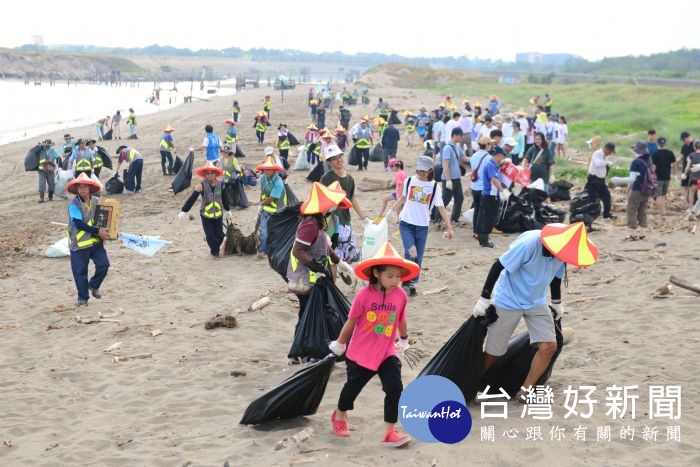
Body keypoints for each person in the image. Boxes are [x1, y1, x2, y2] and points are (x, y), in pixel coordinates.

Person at [473, 222, 598, 399]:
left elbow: (556, 278)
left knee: (549, 346)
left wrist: (556, 303)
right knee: (494, 352)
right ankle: (471, 384)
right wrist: (484, 299)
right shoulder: (529, 245)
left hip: (536, 300)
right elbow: (498, 266)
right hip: (509, 298)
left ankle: (524, 392)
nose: (563, 258)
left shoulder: (564, 252)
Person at [328, 241, 418, 447]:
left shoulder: (400, 295)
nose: (395, 280)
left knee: (395, 388)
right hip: (361, 353)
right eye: (390, 276)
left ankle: (389, 431)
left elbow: (401, 320)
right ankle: (340, 414)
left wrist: (403, 340)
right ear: (377, 273)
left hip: (386, 351)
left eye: (398, 276)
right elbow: (351, 322)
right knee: (352, 389)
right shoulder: (364, 295)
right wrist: (340, 343)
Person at [287, 182, 352, 354]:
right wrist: (315, 266)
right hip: (307, 278)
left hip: (317, 277)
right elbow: (297, 250)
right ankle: (301, 350)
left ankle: (312, 348)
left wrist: (338, 261)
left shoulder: (319, 221)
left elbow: (322, 243)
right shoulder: (310, 224)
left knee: (317, 312)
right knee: (308, 313)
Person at [389, 156, 454, 296]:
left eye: (424, 170)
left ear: (430, 170)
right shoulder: (409, 181)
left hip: (422, 226)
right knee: (411, 252)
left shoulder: (434, 187)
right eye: (419, 169)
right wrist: (392, 211)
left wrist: (449, 227)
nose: (421, 173)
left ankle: (412, 283)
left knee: (418, 256)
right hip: (406, 223)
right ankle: (406, 283)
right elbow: (403, 198)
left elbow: (441, 207)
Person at [65, 173, 111, 306]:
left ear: (90, 188)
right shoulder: (74, 205)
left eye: (85, 187)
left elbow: (105, 221)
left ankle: (93, 285)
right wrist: (98, 231)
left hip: (96, 242)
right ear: (77, 189)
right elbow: (79, 224)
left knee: (104, 264)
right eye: (80, 187)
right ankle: (83, 298)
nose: (83, 190)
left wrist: (111, 232)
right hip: (79, 244)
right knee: (80, 272)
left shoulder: (97, 201)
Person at [320, 144, 370, 263]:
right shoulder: (326, 178)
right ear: (329, 162)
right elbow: (321, 200)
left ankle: (342, 272)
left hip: (346, 220)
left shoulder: (349, 179)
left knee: (349, 253)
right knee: (333, 254)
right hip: (331, 221)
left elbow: (352, 198)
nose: (339, 160)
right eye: (334, 158)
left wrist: (363, 217)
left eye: (340, 156)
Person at [178, 162, 231, 257]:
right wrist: (184, 211)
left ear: (216, 174)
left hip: (218, 214)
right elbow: (192, 199)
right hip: (205, 215)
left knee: (220, 235)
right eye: (208, 173)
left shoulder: (221, 185)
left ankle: (215, 249)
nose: (210, 175)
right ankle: (214, 252)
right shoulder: (201, 186)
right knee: (210, 236)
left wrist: (228, 210)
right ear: (205, 175)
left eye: (212, 173)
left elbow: (225, 198)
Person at [476, 147, 510, 248]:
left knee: (486, 217)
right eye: (502, 156)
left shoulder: (494, 165)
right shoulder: (491, 165)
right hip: (490, 196)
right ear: (498, 155)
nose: (502, 158)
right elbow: (494, 180)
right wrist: (502, 190)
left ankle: (483, 239)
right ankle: (484, 240)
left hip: (490, 195)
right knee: (489, 218)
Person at [256, 155, 287, 259]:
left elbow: (272, 199)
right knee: (263, 230)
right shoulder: (263, 179)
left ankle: (275, 251)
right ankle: (262, 251)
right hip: (266, 209)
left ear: (274, 170)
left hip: (277, 211)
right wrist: (260, 203)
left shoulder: (278, 183)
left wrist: (261, 204)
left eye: (270, 169)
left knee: (274, 232)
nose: (268, 171)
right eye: (266, 169)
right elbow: (262, 192)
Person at [626, 141, 655, 240]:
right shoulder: (649, 160)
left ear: (636, 151)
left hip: (637, 189)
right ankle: (642, 233)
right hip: (647, 190)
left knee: (631, 210)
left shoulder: (635, 162)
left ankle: (633, 234)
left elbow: (632, 179)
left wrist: (627, 188)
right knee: (642, 210)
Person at [440, 127, 468, 225]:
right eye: (460, 136)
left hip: (457, 178)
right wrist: (448, 180)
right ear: (455, 135)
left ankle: (454, 219)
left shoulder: (457, 147)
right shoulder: (447, 148)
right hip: (449, 179)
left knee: (459, 198)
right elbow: (445, 164)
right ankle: (436, 218)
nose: (461, 137)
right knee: (445, 199)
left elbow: (465, 158)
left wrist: (479, 157)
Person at [469, 135, 495, 238]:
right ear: (487, 145)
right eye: (490, 144)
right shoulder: (488, 158)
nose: (491, 146)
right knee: (483, 211)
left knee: (477, 209)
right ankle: (480, 232)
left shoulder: (474, 156)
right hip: (483, 187)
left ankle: (475, 231)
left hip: (474, 186)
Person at [586, 142, 616, 219]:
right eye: (609, 152)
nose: (609, 154)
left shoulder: (604, 156)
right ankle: (590, 214)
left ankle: (606, 213)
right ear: (606, 149)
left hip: (601, 180)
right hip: (594, 179)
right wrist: (607, 162)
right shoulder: (597, 154)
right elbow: (598, 164)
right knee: (592, 198)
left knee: (606, 196)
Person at [652, 137, 676, 217]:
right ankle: (664, 211)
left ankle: (660, 213)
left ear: (657, 144)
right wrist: (675, 174)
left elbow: (653, 167)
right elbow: (674, 164)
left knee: (659, 195)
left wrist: (651, 176)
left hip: (658, 177)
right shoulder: (670, 153)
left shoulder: (655, 154)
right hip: (667, 177)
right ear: (664, 143)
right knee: (663, 195)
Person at [683, 140, 700, 211]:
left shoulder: (691, 155)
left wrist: (685, 174)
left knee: (691, 193)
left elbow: (687, 167)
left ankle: (690, 208)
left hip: (693, 178)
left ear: (694, 147)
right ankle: (698, 209)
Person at [680, 131, 695, 208]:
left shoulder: (695, 144)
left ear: (687, 137)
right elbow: (682, 156)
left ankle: (691, 205)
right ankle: (686, 203)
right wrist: (674, 162)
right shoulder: (684, 146)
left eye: (684, 139)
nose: (683, 141)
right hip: (684, 169)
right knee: (685, 186)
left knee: (692, 187)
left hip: (693, 169)